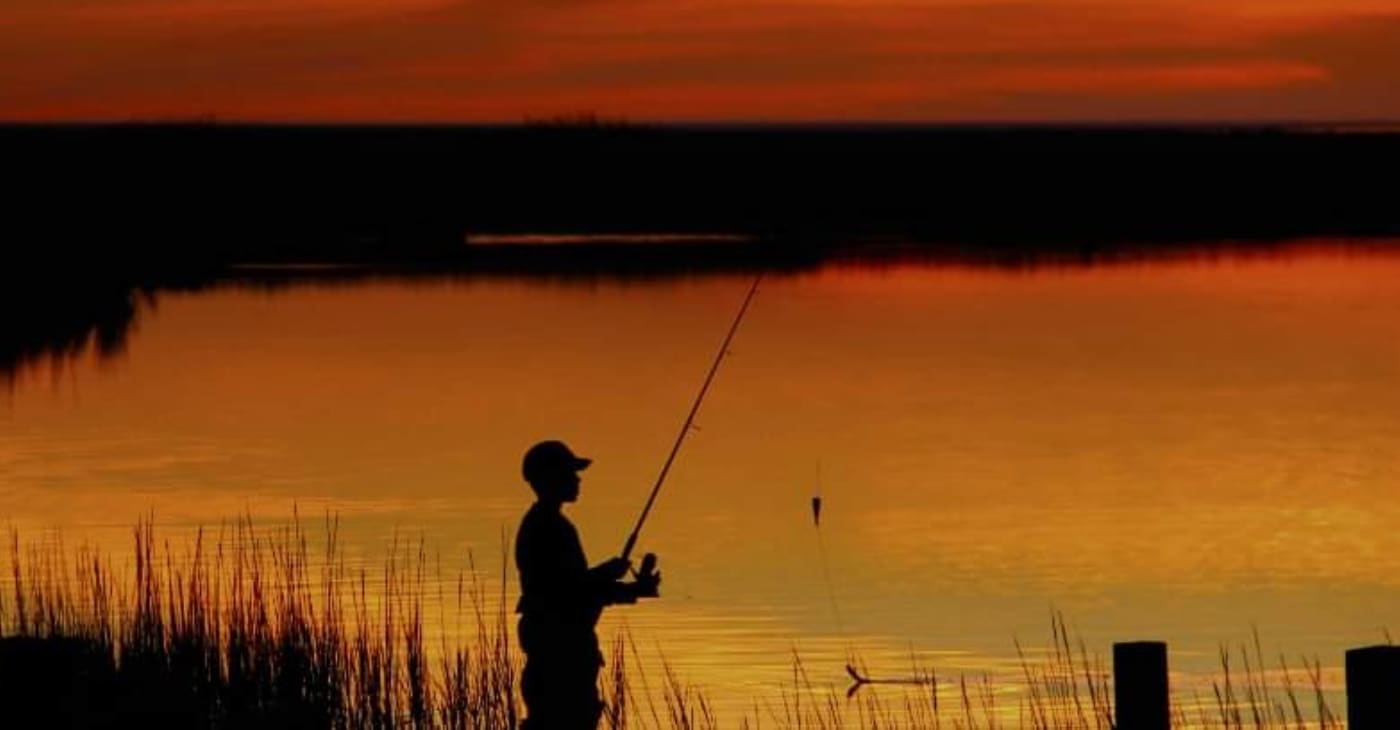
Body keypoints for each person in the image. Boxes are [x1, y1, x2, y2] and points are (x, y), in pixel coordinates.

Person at [515, 440, 661, 730]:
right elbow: (564, 591)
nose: (577, 479)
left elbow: (577, 590)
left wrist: (632, 589)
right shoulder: (547, 528)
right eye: (570, 472)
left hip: (566, 655)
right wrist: (607, 573)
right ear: (550, 478)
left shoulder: (551, 524)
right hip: (561, 659)